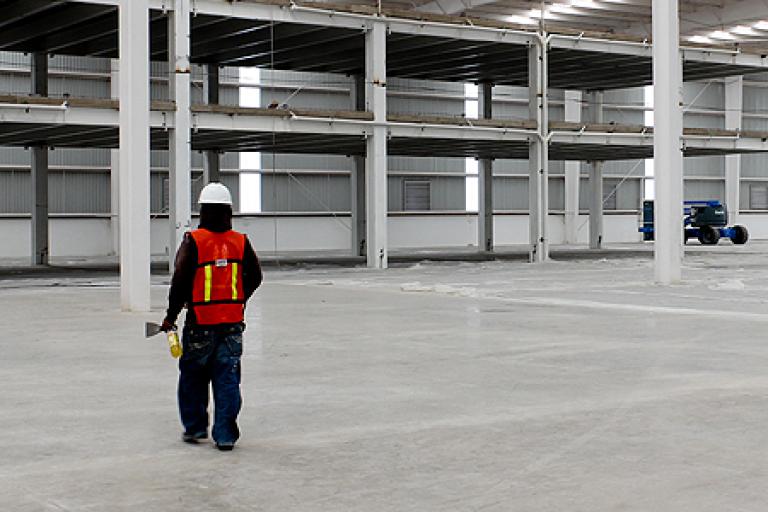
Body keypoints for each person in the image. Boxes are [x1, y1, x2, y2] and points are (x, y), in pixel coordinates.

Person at [161, 182, 263, 451]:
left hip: (200, 325)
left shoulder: (193, 241)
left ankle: (195, 428)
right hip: (231, 325)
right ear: (229, 210)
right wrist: (238, 300)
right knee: (227, 378)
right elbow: (255, 277)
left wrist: (170, 317)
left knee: (193, 377)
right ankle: (225, 435)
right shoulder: (240, 242)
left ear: (202, 210)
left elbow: (180, 283)